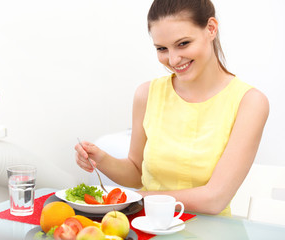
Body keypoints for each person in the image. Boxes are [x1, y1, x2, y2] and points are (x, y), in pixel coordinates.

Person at [74, 0, 269, 216]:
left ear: (211, 28)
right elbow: (136, 173)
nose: (174, 59)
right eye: (162, 49)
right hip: (147, 225)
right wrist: (102, 159)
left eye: (183, 43)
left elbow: (214, 199)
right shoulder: (146, 94)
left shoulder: (249, 102)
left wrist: (133, 199)